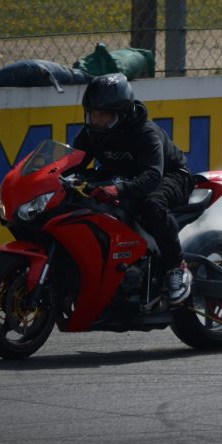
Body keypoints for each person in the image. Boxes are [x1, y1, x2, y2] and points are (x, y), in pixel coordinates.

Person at [73, 73, 193, 305]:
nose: (96, 120)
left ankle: (177, 268)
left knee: (151, 205)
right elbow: (73, 162)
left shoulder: (145, 134)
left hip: (171, 176)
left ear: (122, 113)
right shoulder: (92, 132)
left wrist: (117, 190)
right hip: (125, 176)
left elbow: (151, 176)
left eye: (103, 115)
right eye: (92, 114)